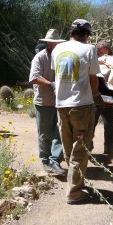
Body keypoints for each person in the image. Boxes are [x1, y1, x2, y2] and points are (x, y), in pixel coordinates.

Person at [51, 19, 101, 204]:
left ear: (72, 32)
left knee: (68, 146)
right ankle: (74, 193)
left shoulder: (57, 49)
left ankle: (74, 183)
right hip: (81, 106)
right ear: (86, 34)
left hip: (61, 105)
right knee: (80, 148)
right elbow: (93, 79)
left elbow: (57, 76)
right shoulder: (89, 49)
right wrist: (96, 96)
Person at [29, 29, 67, 175]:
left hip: (60, 101)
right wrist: (51, 84)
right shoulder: (40, 58)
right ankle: (45, 161)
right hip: (43, 102)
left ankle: (55, 161)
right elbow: (33, 77)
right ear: (48, 43)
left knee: (60, 132)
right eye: (53, 42)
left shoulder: (63, 58)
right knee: (45, 134)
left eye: (57, 42)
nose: (56, 45)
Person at [94, 41, 113, 155]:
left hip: (108, 98)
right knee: (91, 124)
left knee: (111, 123)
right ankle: (87, 148)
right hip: (95, 98)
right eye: (101, 50)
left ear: (109, 50)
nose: (103, 52)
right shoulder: (94, 61)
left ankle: (109, 148)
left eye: (105, 49)